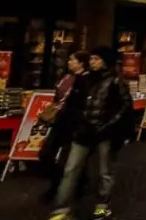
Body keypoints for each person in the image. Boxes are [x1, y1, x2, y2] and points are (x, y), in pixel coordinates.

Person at [50, 47, 132, 220]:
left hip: (105, 133)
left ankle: (102, 206)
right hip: (84, 131)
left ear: (105, 61)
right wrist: (77, 122)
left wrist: (109, 125)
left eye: (96, 59)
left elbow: (125, 106)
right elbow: (75, 103)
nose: (92, 62)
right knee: (71, 169)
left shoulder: (116, 81)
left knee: (104, 171)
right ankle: (62, 209)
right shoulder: (84, 79)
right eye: (92, 59)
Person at [40, 51, 89, 203]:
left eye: (72, 60)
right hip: (61, 120)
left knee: (66, 158)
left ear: (81, 63)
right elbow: (58, 96)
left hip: (74, 123)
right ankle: (79, 180)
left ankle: (58, 189)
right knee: (46, 153)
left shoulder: (86, 80)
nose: (69, 62)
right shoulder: (66, 77)